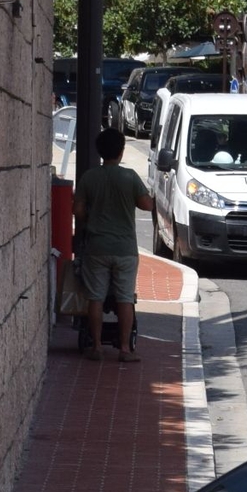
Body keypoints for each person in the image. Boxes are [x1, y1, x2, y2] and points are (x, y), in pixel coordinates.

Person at [72, 128, 157, 363]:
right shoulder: (129, 177)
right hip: (125, 250)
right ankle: (124, 349)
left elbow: (77, 210)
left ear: (100, 152)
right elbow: (147, 205)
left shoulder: (89, 177)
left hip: (97, 247)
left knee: (96, 297)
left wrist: (91, 221)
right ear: (121, 151)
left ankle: (97, 346)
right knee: (125, 298)